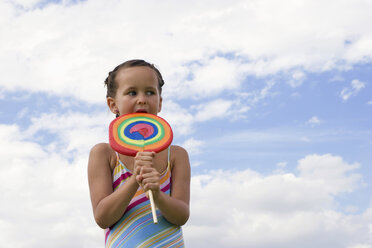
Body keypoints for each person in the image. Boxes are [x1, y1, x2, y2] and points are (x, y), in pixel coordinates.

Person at [88, 59, 191, 247]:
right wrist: (136, 178)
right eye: (132, 92)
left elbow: (182, 215)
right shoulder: (104, 154)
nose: (142, 99)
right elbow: (103, 217)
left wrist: (157, 195)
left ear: (159, 103)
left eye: (150, 92)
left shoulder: (176, 155)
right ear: (113, 104)